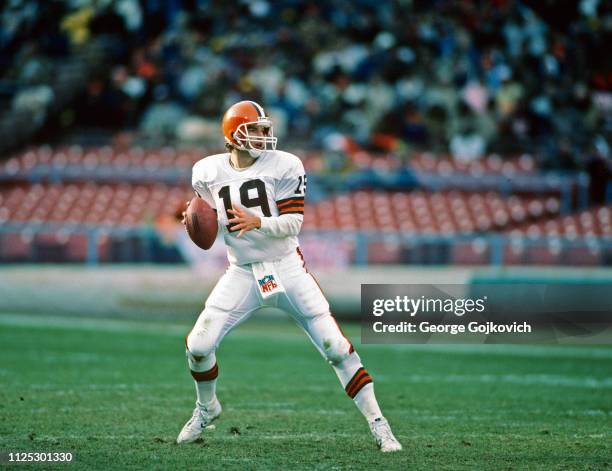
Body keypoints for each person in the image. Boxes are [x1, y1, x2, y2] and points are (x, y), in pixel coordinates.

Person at [177, 100, 402, 452]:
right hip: (242, 272)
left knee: (337, 348)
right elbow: (205, 214)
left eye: (265, 129)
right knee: (198, 346)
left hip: (286, 267)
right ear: (233, 135)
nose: (264, 136)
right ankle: (206, 408)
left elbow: (294, 222)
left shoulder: (285, 165)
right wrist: (192, 222)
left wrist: (259, 222)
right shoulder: (206, 171)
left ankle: (379, 425)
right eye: (255, 130)